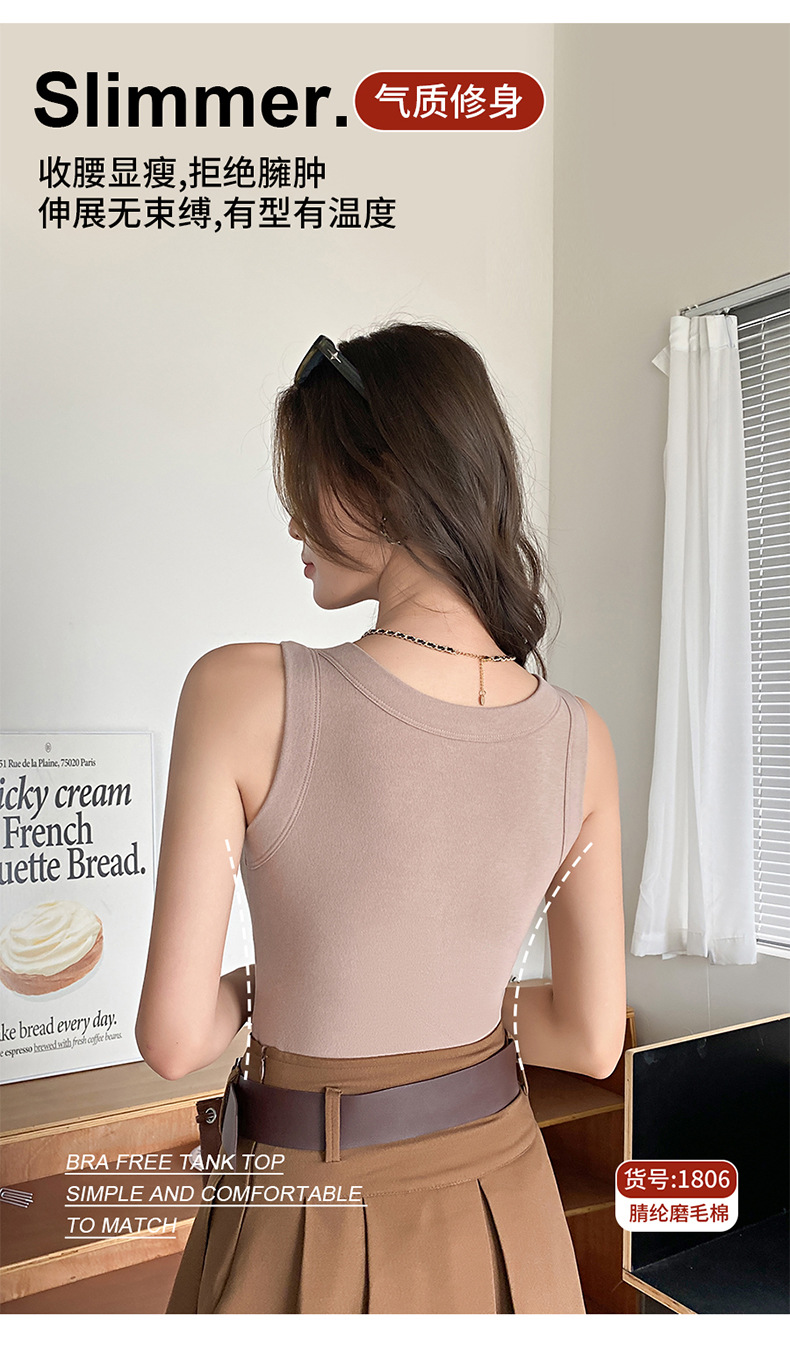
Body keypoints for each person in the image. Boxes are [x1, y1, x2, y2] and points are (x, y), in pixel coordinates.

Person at [136, 322, 625, 1314]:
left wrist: (265, 985)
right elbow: (587, 1037)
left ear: (384, 481)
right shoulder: (583, 737)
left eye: (307, 485)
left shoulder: (240, 692)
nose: (293, 523)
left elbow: (176, 1037)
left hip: (307, 1213)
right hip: (509, 1217)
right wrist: (458, 995)